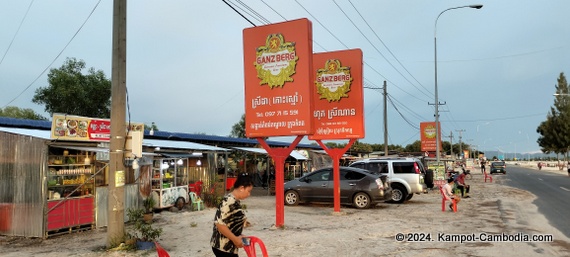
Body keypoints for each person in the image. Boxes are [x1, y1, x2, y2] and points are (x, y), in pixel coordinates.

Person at [211, 173, 254, 257]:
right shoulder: (229, 201)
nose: (249, 194)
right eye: (248, 191)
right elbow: (219, 223)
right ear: (242, 188)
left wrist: (238, 235)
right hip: (223, 247)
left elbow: (230, 222)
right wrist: (235, 239)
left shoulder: (234, 201)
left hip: (228, 247)